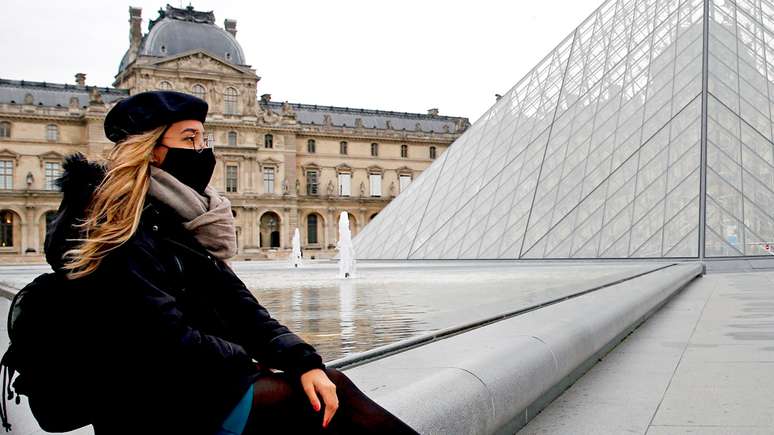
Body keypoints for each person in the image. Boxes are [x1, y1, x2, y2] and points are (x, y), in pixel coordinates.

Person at [44, 91, 418, 435]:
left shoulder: (178, 215)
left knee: (326, 386)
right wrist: (249, 365)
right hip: (151, 403)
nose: (203, 151)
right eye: (190, 139)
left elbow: (237, 304)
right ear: (150, 149)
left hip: (193, 385)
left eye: (203, 139)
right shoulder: (115, 224)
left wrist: (302, 360)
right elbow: (163, 338)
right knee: (331, 401)